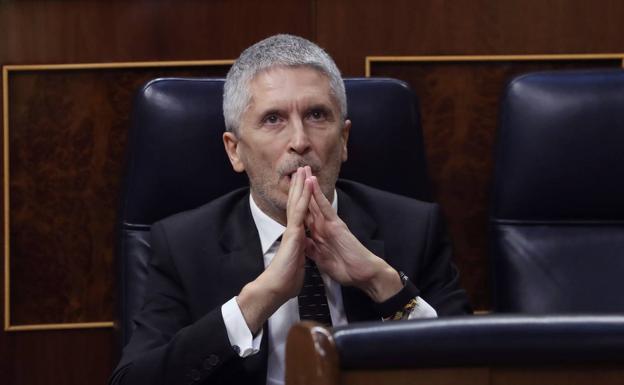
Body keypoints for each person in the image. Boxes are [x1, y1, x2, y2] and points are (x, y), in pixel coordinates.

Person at [110, 34, 471, 385]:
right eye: (273, 119)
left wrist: (382, 283)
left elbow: (475, 369)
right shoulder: (184, 245)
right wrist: (257, 300)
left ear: (343, 140)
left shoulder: (414, 228)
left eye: (316, 115)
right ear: (234, 150)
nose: (299, 141)